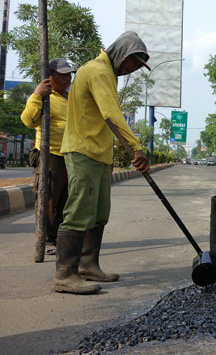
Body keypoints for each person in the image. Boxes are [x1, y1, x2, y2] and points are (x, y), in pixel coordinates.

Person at [53, 31, 151, 294]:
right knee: (78, 212)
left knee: (98, 213)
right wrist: (136, 148)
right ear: (121, 53)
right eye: (132, 63)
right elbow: (112, 115)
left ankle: (88, 265)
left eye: (137, 67)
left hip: (99, 154)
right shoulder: (98, 71)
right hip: (83, 150)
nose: (132, 69)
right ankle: (64, 274)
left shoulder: (108, 74)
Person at [21, 58, 75, 256]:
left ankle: (60, 237)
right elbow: (28, 120)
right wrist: (36, 95)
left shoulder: (70, 97)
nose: (68, 78)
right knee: (49, 198)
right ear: (50, 76)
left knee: (65, 200)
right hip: (51, 154)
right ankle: (46, 239)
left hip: (71, 154)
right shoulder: (44, 96)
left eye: (69, 74)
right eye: (62, 74)